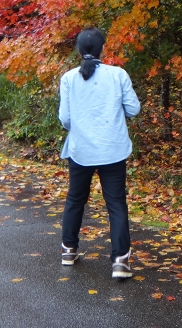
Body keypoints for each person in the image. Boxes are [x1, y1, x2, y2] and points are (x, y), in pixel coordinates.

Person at [58, 28, 141, 279]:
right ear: (102, 49)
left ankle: (69, 250)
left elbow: (64, 118)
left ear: (79, 50)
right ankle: (120, 262)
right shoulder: (118, 75)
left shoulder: (69, 78)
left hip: (80, 150)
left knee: (75, 199)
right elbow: (133, 109)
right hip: (112, 149)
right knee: (116, 203)